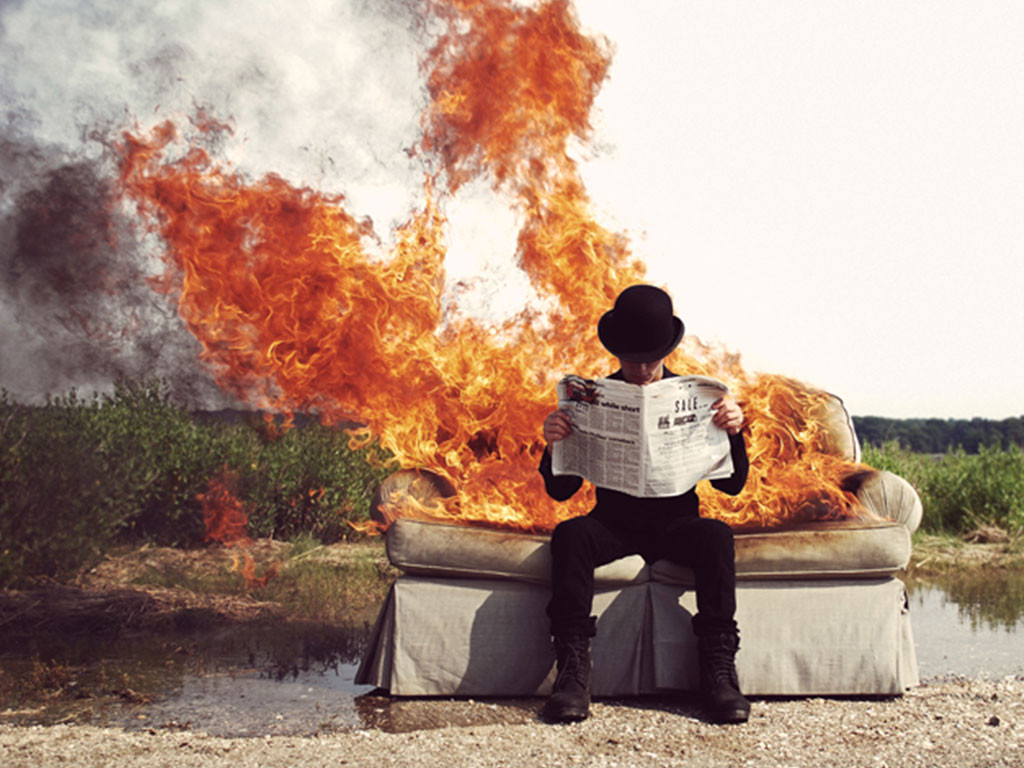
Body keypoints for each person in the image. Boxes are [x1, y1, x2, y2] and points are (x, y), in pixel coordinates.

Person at [537, 284, 751, 725]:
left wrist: (733, 432)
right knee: (571, 534)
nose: (640, 369)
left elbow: (733, 486)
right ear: (616, 353)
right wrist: (553, 444)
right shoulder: (593, 398)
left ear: (666, 350)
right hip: (614, 523)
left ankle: (719, 673)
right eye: (631, 359)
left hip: (676, 523)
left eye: (649, 358)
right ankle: (573, 674)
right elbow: (560, 493)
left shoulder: (695, 396)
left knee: (716, 535)